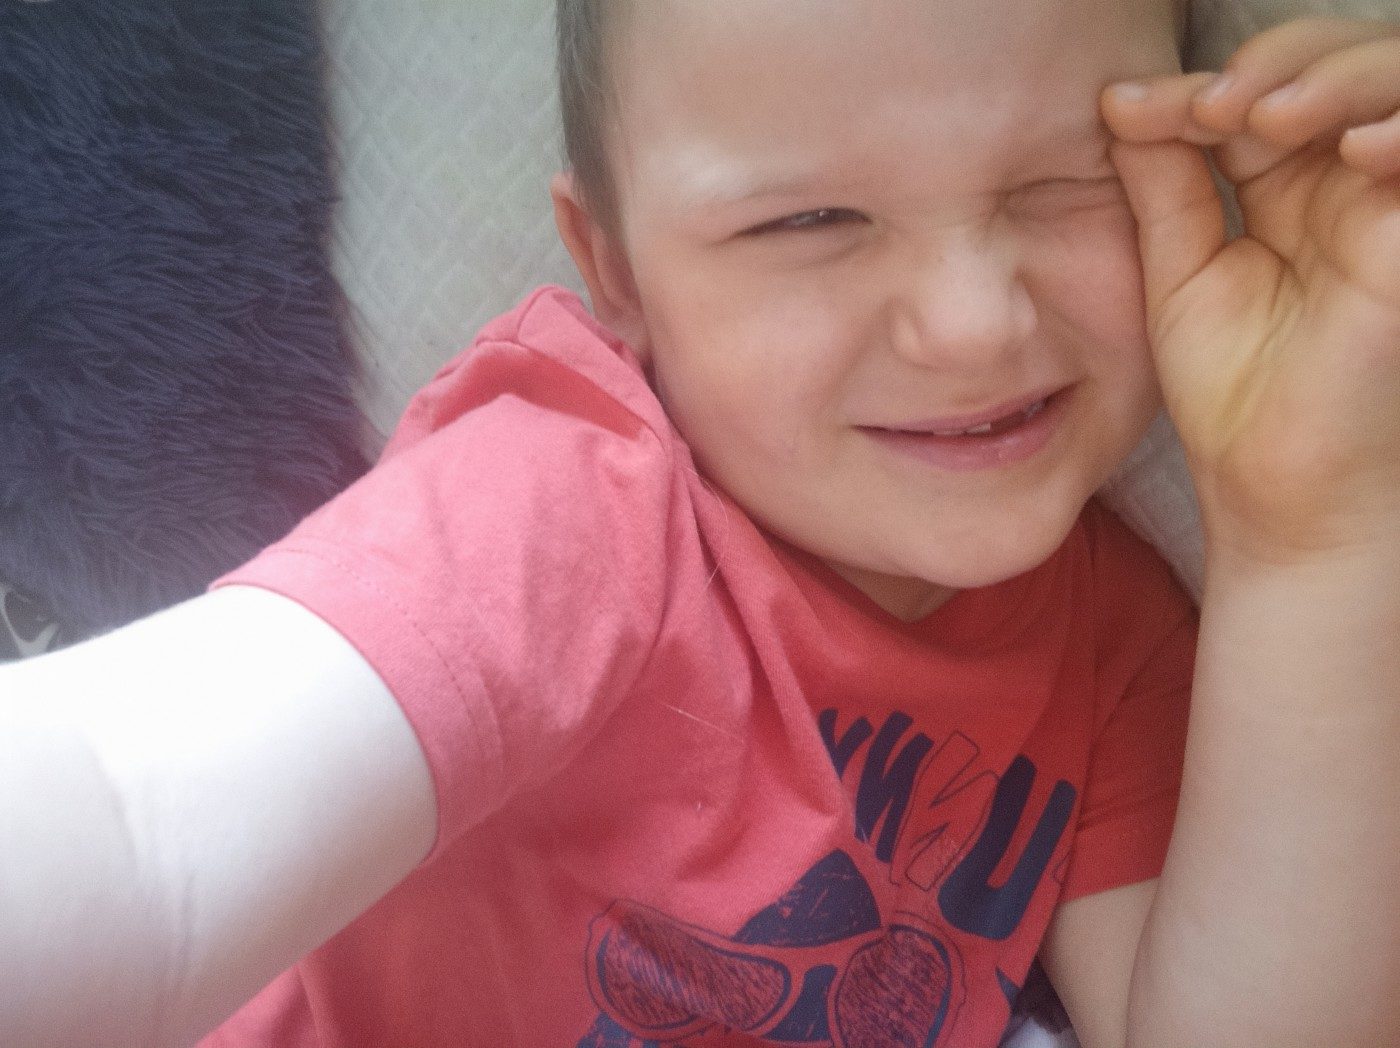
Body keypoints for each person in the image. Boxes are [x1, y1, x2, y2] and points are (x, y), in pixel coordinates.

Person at [2, 0, 1398, 1045]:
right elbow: (143, 828)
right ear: (613, 271)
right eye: (813, 221)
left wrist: (1316, 529)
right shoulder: (566, 502)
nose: (975, 324)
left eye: (1069, 186)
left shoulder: (1115, 634)